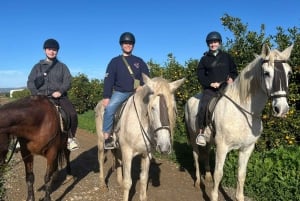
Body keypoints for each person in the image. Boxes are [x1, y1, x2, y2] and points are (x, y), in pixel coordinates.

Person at [27, 38, 79, 151]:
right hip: (40, 97)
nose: (52, 52)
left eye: (54, 50)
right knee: (24, 114)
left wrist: (60, 91)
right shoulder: (37, 67)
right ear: (45, 50)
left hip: (59, 97)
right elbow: (30, 82)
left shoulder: (62, 67)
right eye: (49, 49)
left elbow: (68, 81)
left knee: (72, 114)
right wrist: (36, 94)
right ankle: (22, 139)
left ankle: (70, 138)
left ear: (57, 51)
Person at [102, 32, 150, 149]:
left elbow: (147, 77)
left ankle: (152, 136)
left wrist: (142, 86)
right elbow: (108, 80)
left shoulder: (139, 61)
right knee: (109, 109)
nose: (128, 45)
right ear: (121, 45)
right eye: (125, 43)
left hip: (137, 93)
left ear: (133, 45)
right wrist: (107, 96)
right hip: (121, 93)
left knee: (152, 109)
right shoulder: (115, 61)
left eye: (130, 43)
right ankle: (107, 137)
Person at [196, 31, 238, 146]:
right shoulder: (204, 59)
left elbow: (234, 71)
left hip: (227, 88)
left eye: (215, 42)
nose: (213, 44)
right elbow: (200, 76)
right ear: (208, 44)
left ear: (219, 43)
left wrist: (232, 78)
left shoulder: (227, 57)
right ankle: (201, 133)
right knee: (204, 106)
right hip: (211, 90)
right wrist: (210, 83)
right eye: (211, 42)